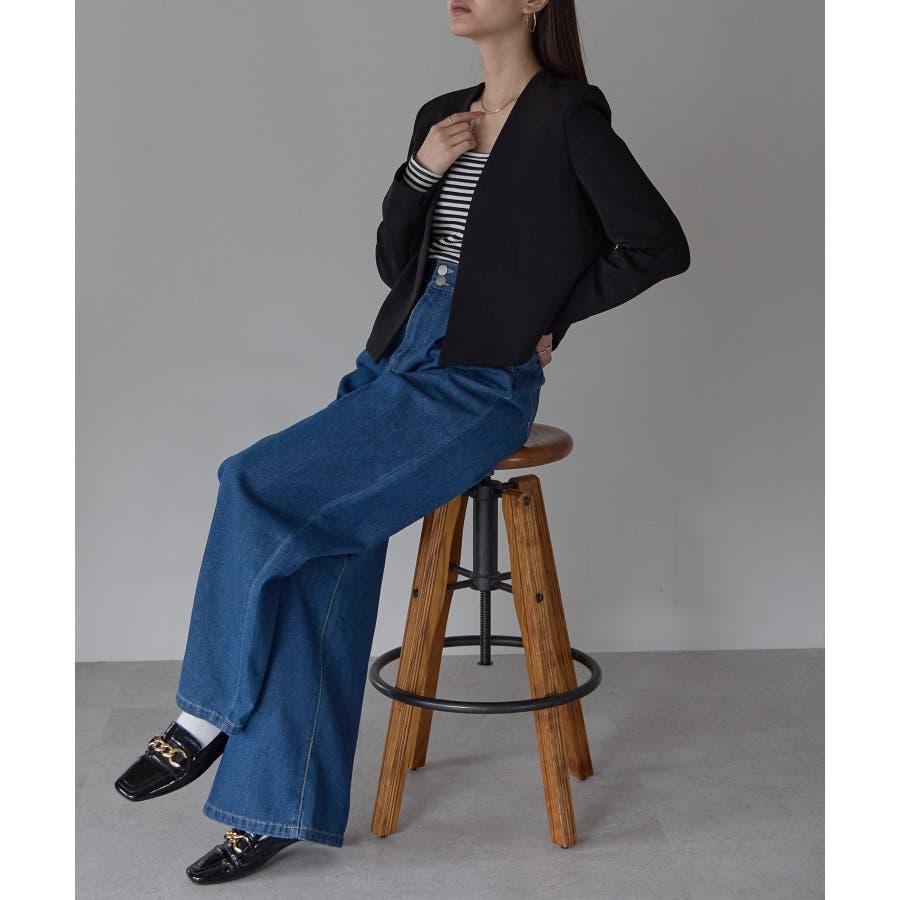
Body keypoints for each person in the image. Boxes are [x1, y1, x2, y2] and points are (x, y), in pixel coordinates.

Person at [113, 0, 690, 885]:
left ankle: (202, 719)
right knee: (314, 560)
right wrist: (422, 172)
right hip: (395, 358)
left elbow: (656, 244)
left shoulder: (569, 115)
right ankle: (273, 808)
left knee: (251, 481)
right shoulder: (443, 115)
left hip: (478, 381)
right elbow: (397, 262)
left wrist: (549, 318)